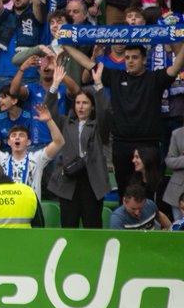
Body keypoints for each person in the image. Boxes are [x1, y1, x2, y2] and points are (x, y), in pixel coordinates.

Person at [60, 42, 184, 196]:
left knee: (148, 195)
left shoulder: (155, 78)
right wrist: (65, 44)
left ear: (144, 60)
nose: (130, 61)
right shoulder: (115, 77)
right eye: (127, 58)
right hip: (121, 145)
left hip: (148, 146)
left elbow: (177, 66)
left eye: (135, 57)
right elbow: (86, 62)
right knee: (123, 194)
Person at [47, 87, 111, 229]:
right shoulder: (66, 123)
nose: (80, 107)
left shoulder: (98, 125)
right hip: (69, 180)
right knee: (69, 226)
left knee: (92, 226)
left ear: (93, 106)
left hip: (91, 181)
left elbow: (105, 112)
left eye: (85, 103)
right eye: (77, 103)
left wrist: (100, 86)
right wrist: (54, 87)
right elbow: (49, 112)